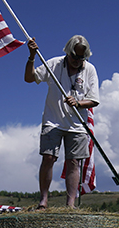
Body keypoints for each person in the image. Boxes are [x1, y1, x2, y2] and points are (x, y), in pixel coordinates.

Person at [24, 35, 99, 209]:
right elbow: (29, 78)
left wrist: (78, 103)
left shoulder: (90, 69)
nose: (77, 61)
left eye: (81, 58)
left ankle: (70, 205)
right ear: (67, 53)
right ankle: (43, 201)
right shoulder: (54, 64)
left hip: (77, 124)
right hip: (53, 121)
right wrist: (32, 56)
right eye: (74, 57)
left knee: (74, 162)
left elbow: (94, 99)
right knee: (48, 157)